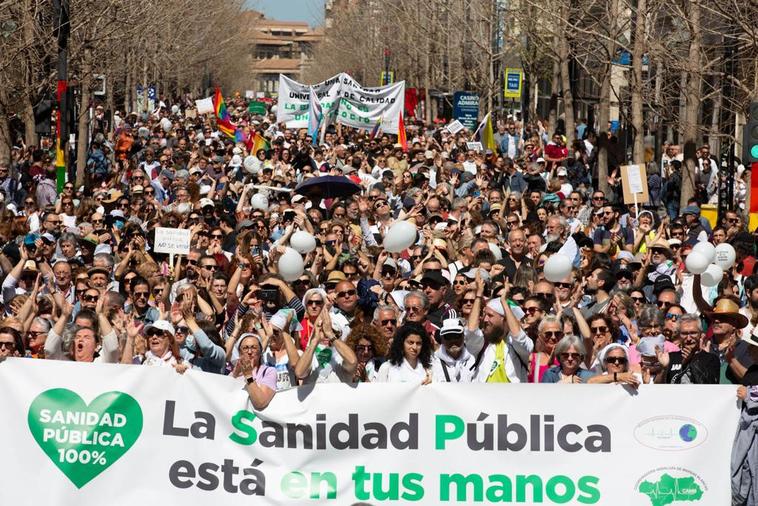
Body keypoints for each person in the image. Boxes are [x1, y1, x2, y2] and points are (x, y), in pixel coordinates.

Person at [231, 333, 276, 410]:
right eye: (245, 348)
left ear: (260, 351)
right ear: (239, 352)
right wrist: (234, 375)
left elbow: (261, 402)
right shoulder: (234, 374)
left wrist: (248, 376)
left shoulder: (268, 372)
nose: (249, 352)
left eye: (254, 348)